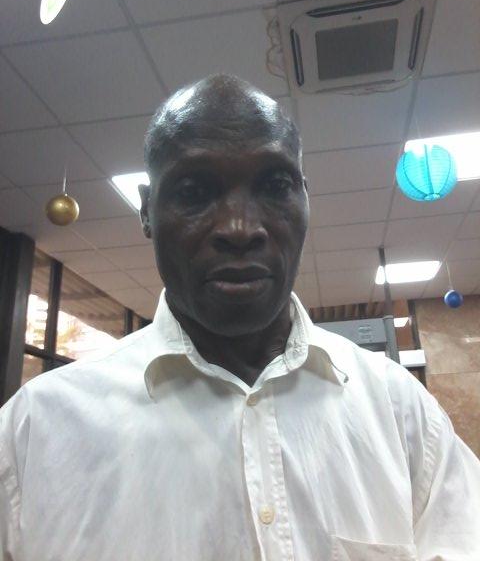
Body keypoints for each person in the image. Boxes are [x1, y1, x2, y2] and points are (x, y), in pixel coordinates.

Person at [0, 74, 479, 560]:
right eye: (194, 190)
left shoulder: (399, 411)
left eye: (275, 186)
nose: (240, 228)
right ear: (147, 211)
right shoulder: (34, 432)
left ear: (305, 199)